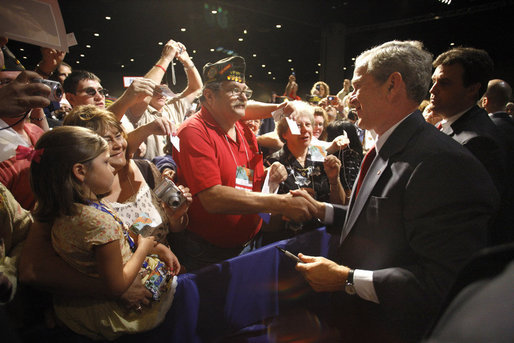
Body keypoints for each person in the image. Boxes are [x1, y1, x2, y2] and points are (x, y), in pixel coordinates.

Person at [292, 40, 499, 342]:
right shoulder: (389, 147)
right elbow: (381, 216)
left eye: (357, 86)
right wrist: (321, 210)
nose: (349, 98)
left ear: (392, 85)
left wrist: (348, 280)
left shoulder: (441, 163)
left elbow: (443, 281)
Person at [29, 126, 177, 340]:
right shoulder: (97, 223)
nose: (112, 168)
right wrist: (144, 249)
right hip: (119, 314)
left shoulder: (71, 207)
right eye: (106, 162)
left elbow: (121, 232)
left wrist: (156, 245)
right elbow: (116, 285)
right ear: (80, 171)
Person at [173, 56, 317, 271]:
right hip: (211, 251)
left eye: (245, 91)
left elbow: (242, 177)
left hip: (251, 239)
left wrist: (269, 173)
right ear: (209, 95)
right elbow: (212, 198)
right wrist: (280, 203)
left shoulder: (239, 125)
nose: (242, 97)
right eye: (233, 89)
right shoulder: (194, 131)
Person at [63, 105, 192, 245]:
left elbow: (175, 229)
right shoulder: (83, 199)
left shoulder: (146, 169)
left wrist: (176, 216)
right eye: (106, 140)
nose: (118, 145)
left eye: (118, 135)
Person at [430, 47, 511, 245]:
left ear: (473, 89)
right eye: (433, 82)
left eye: (444, 83)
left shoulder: (477, 142)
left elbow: (468, 223)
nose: (433, 90)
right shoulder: (454, 127)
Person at [259, 102, 345, 245]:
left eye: (308, 124)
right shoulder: (273, 163)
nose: (305, 129)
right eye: (298, 125)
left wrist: (335, 180)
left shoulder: (321, 156)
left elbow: (339, 206)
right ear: (284, 134)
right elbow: (265, 221)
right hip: (286, 243)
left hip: (324, 240)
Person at [126, 39, 203, 160]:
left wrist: (187, 60)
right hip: (148, 175)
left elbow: (196, 88)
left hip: (173, 172)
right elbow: (141, 93)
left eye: (165, 90)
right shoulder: (139, 112)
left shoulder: (172, 107)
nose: (162, 94)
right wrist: (166, 59)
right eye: (156, 90)